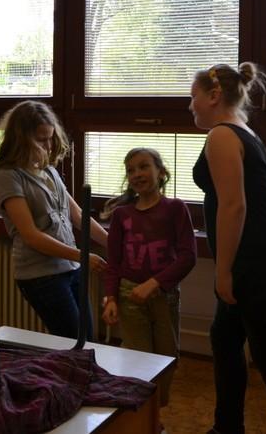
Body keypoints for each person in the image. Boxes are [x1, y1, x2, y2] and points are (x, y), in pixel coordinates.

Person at [190, 63, 266, 434]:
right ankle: (226, 427)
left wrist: (223, 271)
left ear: (214, 96)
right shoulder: (242, 130)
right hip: (262, 257)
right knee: (225, 340)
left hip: (260, 263)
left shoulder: (222, 135)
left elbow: (234, 206)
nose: (190, 106)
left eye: (193, 97)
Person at [0, 100, 108, 340]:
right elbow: (31, 235)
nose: (48, 146)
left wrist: (112, 242)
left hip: (71, 268)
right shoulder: (7, 177)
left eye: (50, 138)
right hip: (40, 275)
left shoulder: (48, 170)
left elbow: (77, 215)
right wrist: (82, 255)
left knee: (87, 339)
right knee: (73, 341)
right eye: (41, 139)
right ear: (21, 139)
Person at [100, 147, 197, 409]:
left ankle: (155, 415)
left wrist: (155, 283)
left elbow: (188, 257)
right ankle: (141, 416)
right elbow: (114, 263)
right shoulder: (122, 215)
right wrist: (111, 298)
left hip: (164, 295)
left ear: (161, 172)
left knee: (167, 358)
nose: (137, 174)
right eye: (130, 170)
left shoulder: (175, 208)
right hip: (129, 296)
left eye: (144, 167)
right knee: (137, 359)